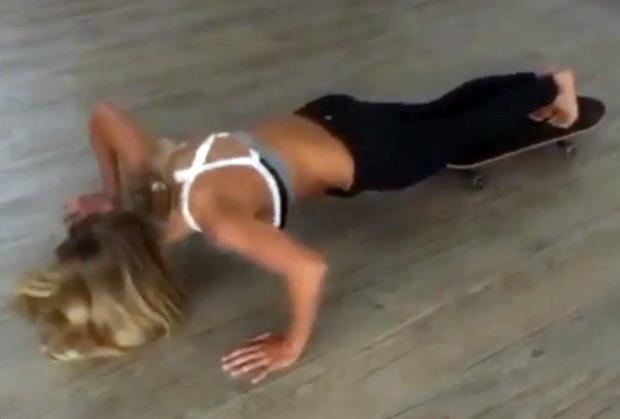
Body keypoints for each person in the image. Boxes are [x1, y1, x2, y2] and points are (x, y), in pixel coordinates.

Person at [63, 68, 580, 383]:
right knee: (438, 113)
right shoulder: (146, 174)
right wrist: (109, 192)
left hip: (374, 157)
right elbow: (103, 114)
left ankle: (552, 86)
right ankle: (535, 81)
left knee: (462, 131)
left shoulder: (219, 220)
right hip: (329, 115)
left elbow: (308, 268)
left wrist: (290, 345)